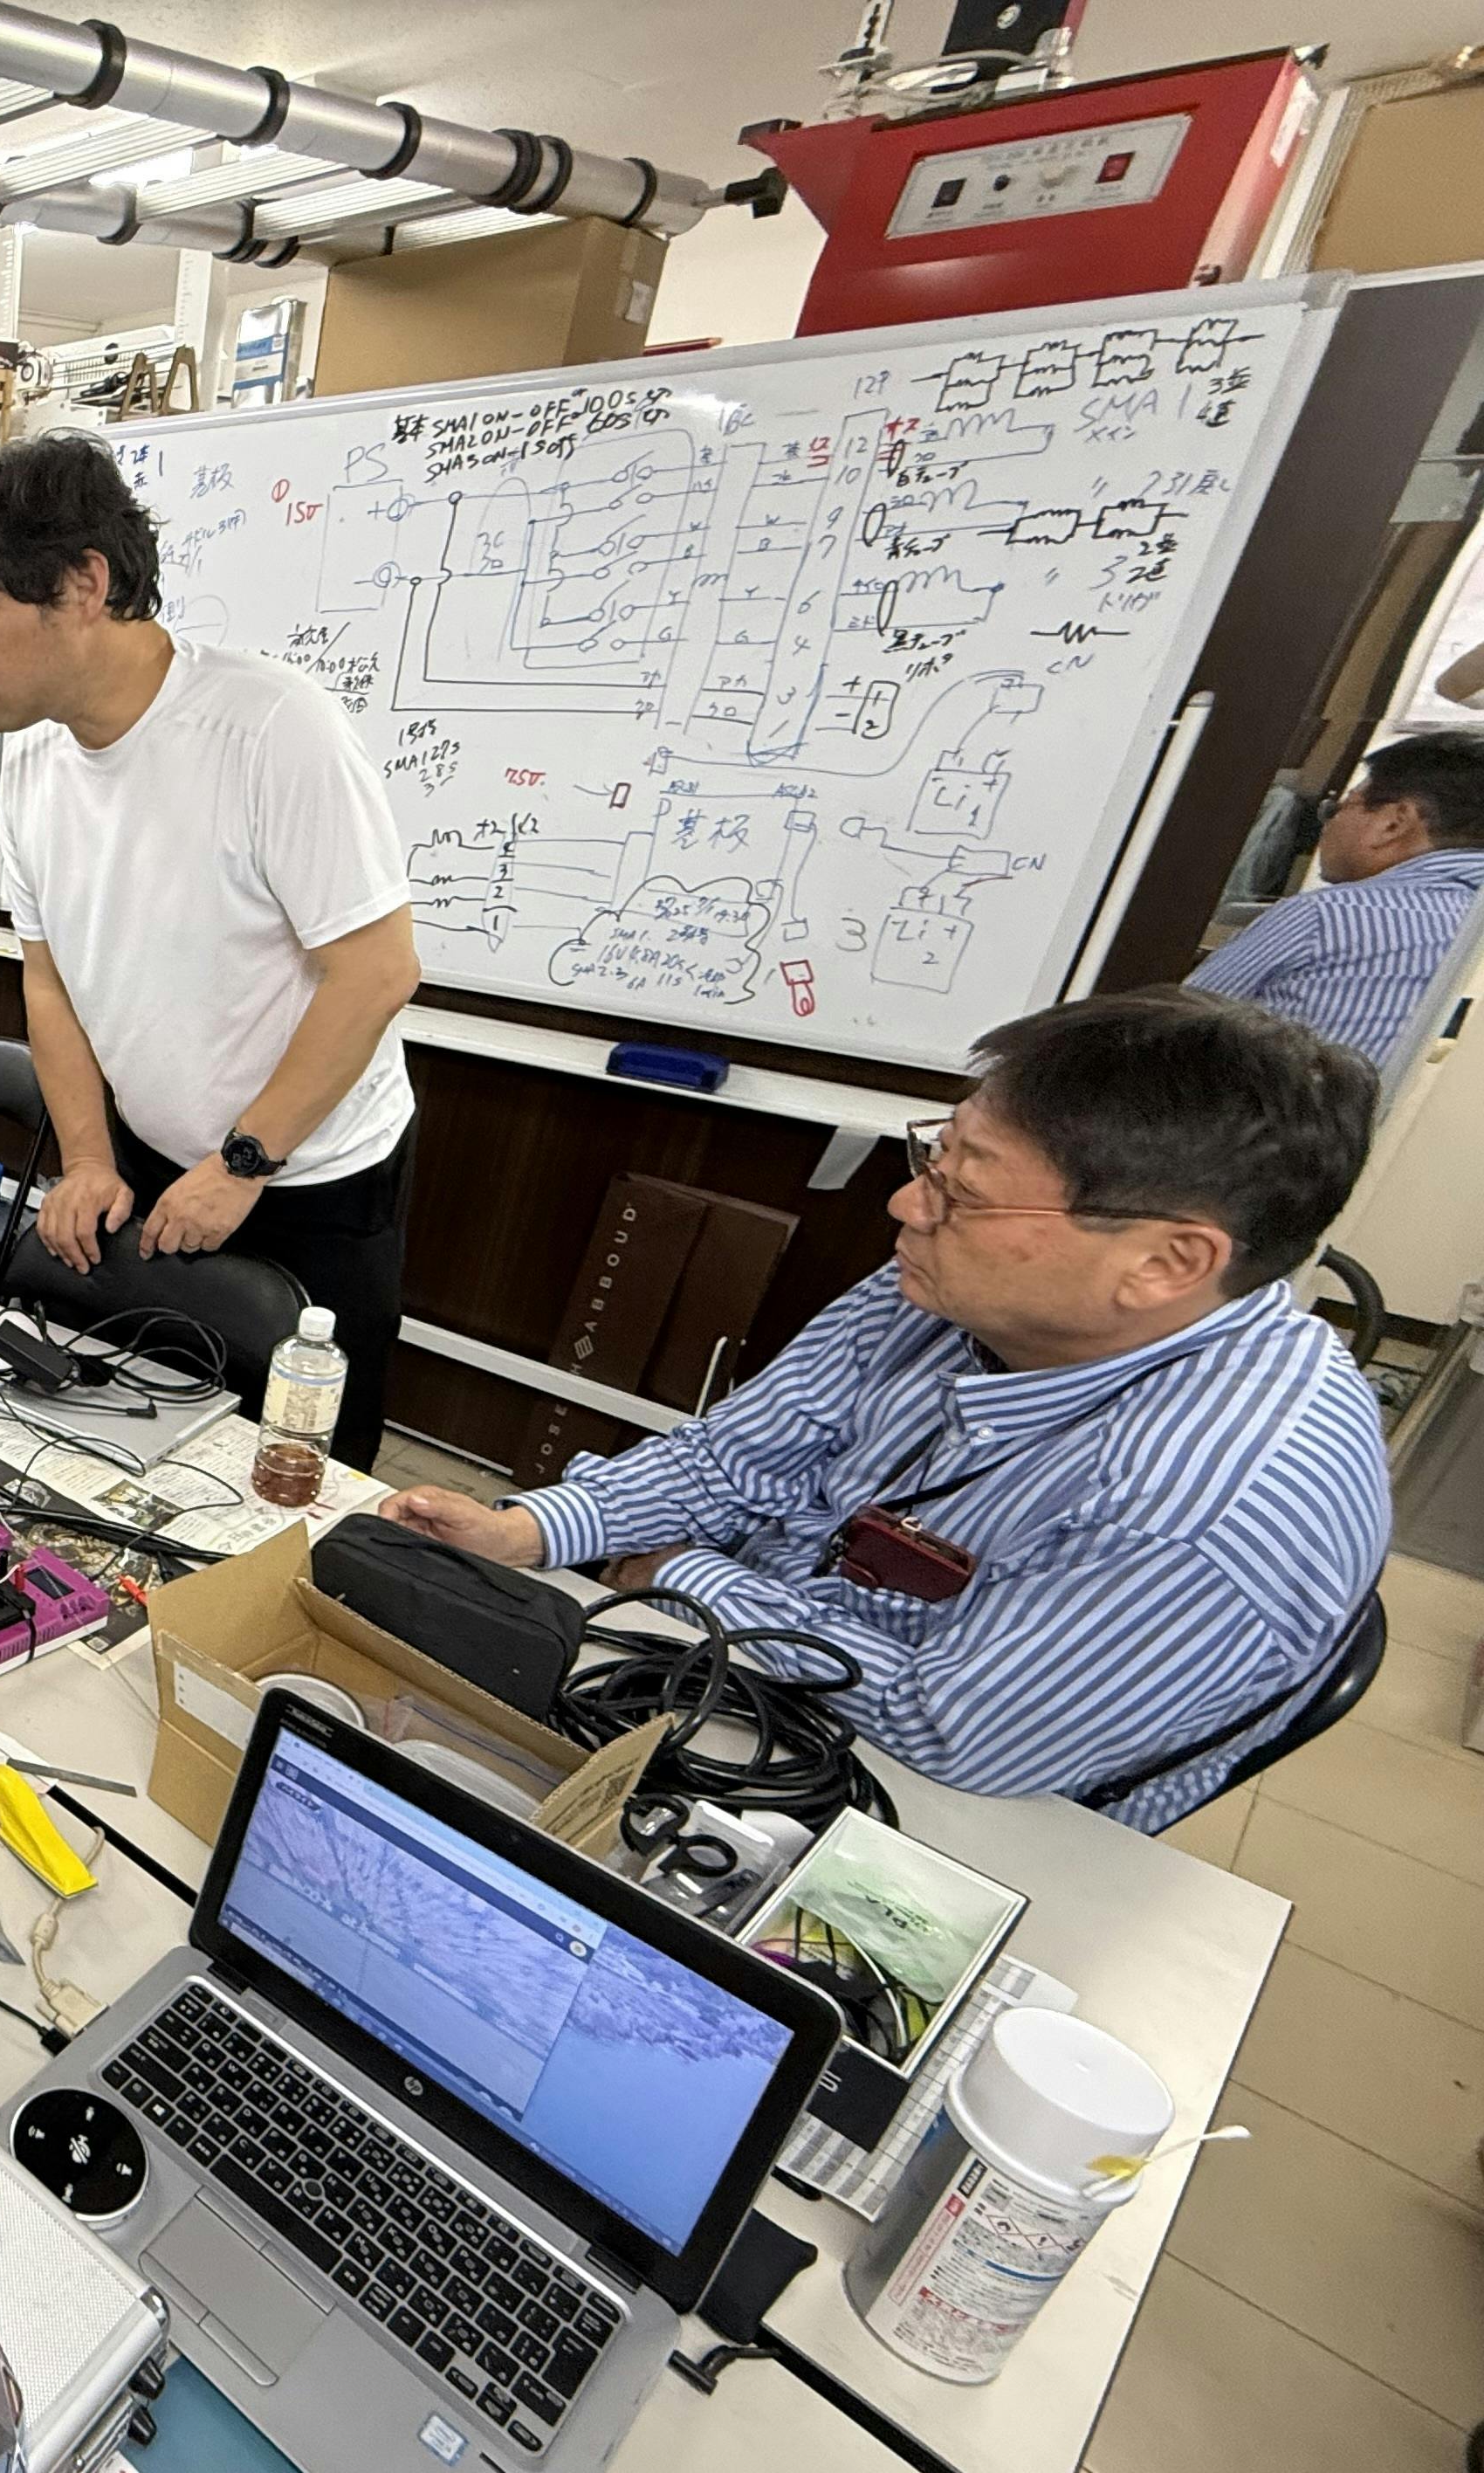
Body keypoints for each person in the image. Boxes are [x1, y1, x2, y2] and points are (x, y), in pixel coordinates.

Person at [380, 989, 1387, 1829]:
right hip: (752, 1667)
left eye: (965, 1193)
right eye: (934, 1162)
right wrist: (528, 1531)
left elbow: (959, 1730)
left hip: (950, 1805)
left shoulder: (1211, 1511)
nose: (909, 1207)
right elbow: (738, 1458)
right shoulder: (959, 1283)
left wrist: (687, 1577)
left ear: (1168, 1262)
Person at [0, 433, 423, 1472]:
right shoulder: (35, 763)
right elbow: (50, 983)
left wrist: (243, 1163)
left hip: (306, 1172)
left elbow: (377, 973)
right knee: (139, 1429)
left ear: (82, 585)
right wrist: (89, 1159)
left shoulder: (271, 729)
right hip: (151, 1155)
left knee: (298, 1467)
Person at [1187, 729, 1484, 1069]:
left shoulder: (1325, 916)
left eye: (1339, 809)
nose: (1327, 825)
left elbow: (1170, 1040)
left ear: (1393, 824)